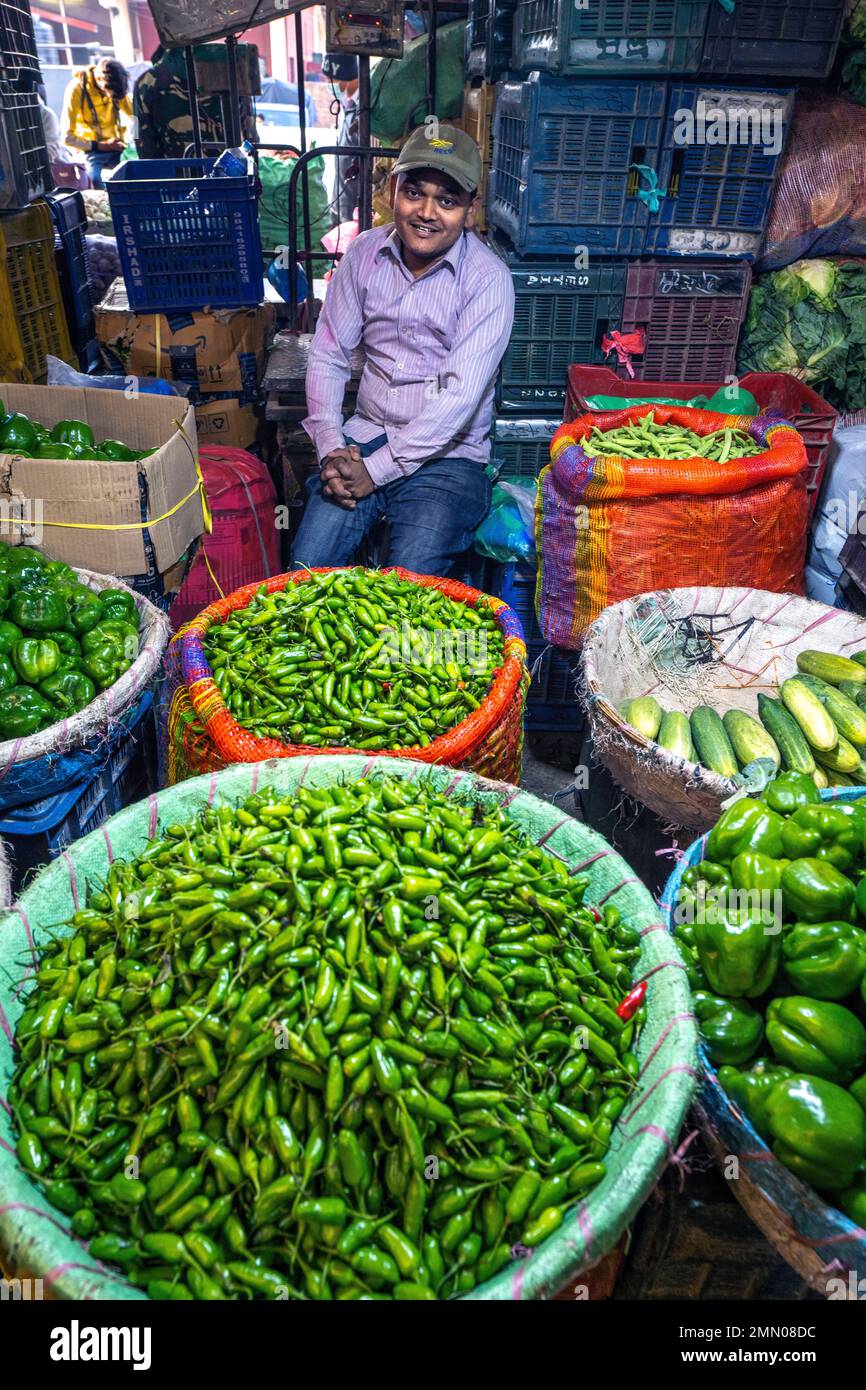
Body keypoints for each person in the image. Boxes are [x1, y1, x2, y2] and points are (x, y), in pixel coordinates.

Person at [295, 122, 514, 578]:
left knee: (408, 584)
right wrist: (331, 447)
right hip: (366, 436)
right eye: (414, 193)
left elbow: (458, 398)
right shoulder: (364, 254)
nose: (427, 212)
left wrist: (376, 471)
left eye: (448, 201)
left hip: (448, 458)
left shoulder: (488, 280)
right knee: (303, 568)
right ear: (392, 191)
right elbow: (329, 353)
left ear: (470, 211)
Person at [134, 45, 256, 159]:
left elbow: (141, 141)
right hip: (231, 173)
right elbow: (250, 133)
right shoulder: (233, 67)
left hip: (176, 176)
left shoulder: (145, 83)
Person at [60, 57, 131, 187]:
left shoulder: (115, 86)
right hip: (90, 151)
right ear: (99, 81)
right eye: (110, 95)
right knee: (96, 181)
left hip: (116, 148)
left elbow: (136, 115)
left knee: (132, 176)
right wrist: (99, 146)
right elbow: (66, 137)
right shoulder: (76, 89)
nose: (111, 98)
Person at [322, 53, 359, 224]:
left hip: (354, 209)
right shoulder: (349, 106)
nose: (329, 85)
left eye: (331, 80)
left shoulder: (362, 111)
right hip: (343, 203)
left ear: (347, 78)